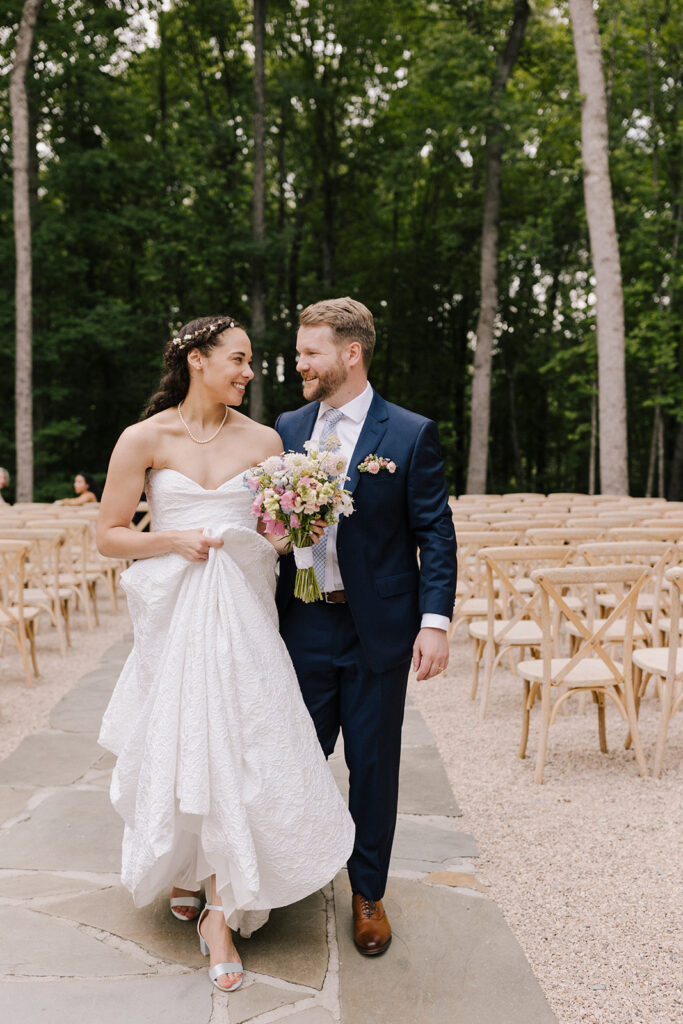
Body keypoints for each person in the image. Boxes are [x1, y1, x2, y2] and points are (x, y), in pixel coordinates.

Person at [96, 315, 354, 993]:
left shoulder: (264, 440)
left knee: (235, 747)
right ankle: (186, 869)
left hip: (242, 620)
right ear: (195, 358)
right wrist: (174, 542)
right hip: (175, 619)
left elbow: (276, 531)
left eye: (250, 362)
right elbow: (110, 536)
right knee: (182, 741)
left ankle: (218, 910)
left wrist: (298, 521)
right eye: (237, 360)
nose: (248, 372)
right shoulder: (143, 438)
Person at [275, 297, 457, 956]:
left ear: (349, 354)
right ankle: (286, 870)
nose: (298, 363)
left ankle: (367, 889)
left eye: (309, 352)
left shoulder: (408, 433)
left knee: (373, 765)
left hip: (378, 627)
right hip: (301, 623)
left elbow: (434, 531)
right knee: (292, 755)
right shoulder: (286, 427)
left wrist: (433, 622)